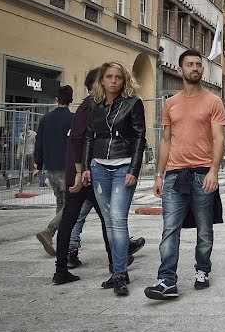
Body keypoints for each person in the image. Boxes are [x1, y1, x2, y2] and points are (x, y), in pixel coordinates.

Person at [144, 50, 225, 300]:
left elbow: (219, 138)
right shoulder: (170, 103)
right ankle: (166, 280)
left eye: (198, 65)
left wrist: (214, 171)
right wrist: (159, 174)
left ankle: (202, 269)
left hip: (203, 174)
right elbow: (166, 139)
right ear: (180, 70)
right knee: (170, 228)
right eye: (189, 64)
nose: (195, 68)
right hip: (174, 175)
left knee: (204, 229)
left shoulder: (213, 101)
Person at [81, 62, 147, 296]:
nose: (113, 81)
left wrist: (134, 170)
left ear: (124, 80)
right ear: (102, 80)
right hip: (98, 168)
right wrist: (86, 167)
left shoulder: (133, 103)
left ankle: (119, 274)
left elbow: (140, 137)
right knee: (109, 223)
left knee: (118, 221)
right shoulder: (94, 104)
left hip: (123, 167)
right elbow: (89, 136)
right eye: (108, 76)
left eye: (118, 77)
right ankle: (119, 271)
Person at [52, 69, 112, 284]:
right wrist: (79, 173)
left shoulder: (93, 105)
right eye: (107, 79)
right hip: (84, 175)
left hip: (83, 173)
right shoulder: (89, 106)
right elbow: (77, 139)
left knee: (71, 219)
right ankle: (114, 264)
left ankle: (61, 270)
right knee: (107, 219)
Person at [33, 85, 75, 256]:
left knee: (60, 202)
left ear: (56, 99)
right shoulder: (73, 119)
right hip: (67, 167)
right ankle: (49, 232)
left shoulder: (46, 119)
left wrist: (38, 164)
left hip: (50, 168)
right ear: (71, 100)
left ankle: (58, 237)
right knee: (70, 205)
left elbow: (39, 142)